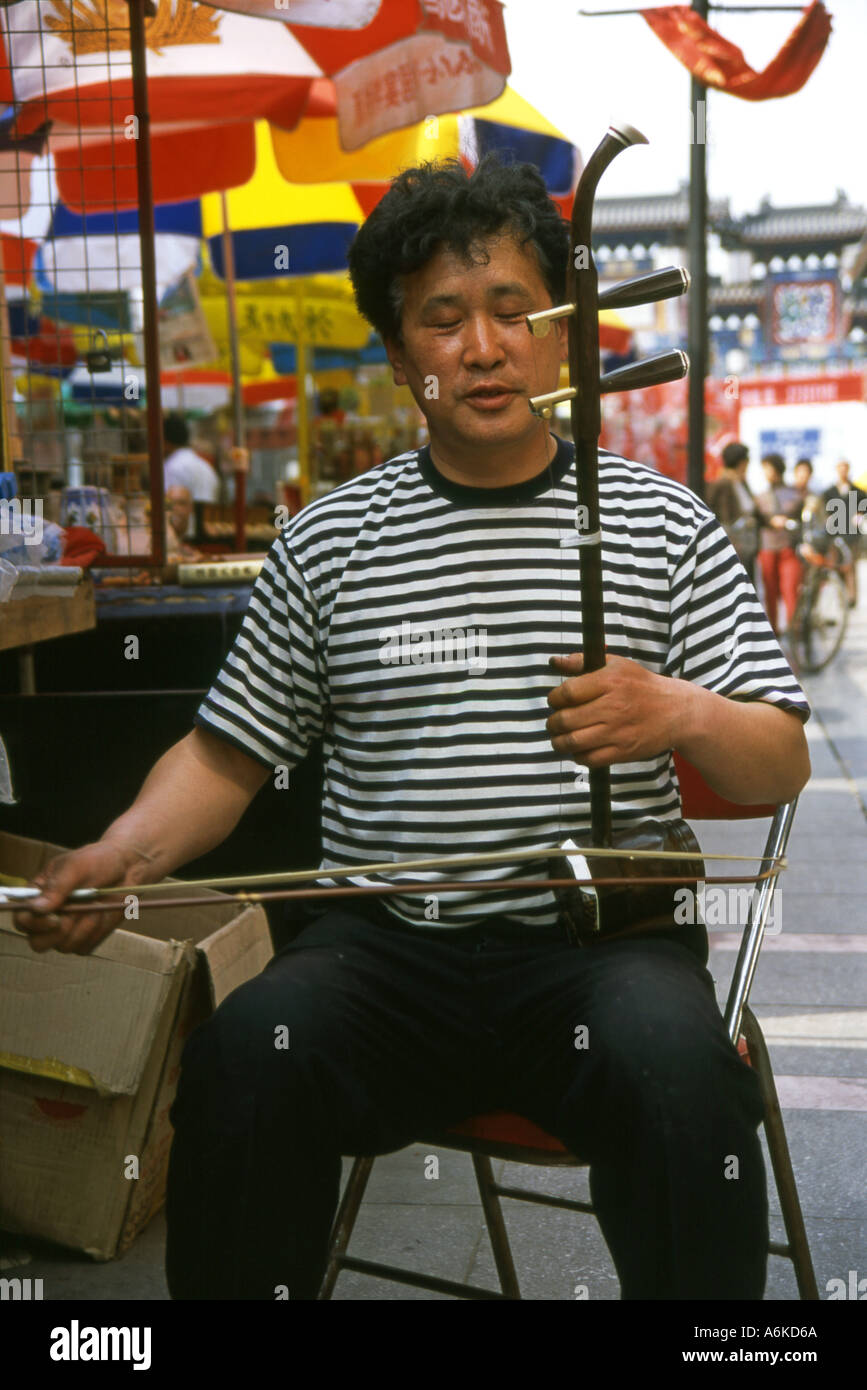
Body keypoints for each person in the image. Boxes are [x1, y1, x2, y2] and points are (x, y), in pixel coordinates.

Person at [14, 154, 811, 1302]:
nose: (482, 348)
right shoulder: (332, 540)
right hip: (383, 954)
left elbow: (779, 752)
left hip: (604, 952)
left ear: (559, 335)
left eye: (510, 312)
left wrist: (674, 710)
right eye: (443, 320)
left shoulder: (655, 519)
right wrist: (119, 856)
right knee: (249, 1059)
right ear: (401, 359)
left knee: (686, 1080)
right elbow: (222, 755)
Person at [755, 453, 803, 636]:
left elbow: (799, 517)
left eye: (768, 468)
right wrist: (771, 521)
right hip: (767, 547)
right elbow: (758, 519)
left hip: (788, 546)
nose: (766, 472)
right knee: (770, 592)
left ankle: (793, 629)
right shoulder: (761, 496)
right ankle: (773, 630)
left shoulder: (794, 494)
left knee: (790, 589)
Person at [706, 441, 764, 583]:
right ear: (742, 462)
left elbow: (754, 511)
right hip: (731, 545)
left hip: (747, 545)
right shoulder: (721, 484)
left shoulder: (742, 483)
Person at [821, 460, 866, 605]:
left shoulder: (858, 492)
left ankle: (851, 598)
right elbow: (824, 512)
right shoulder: (829, 492)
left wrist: (860, 515)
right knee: (835, 566)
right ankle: (840, 599)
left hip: (851, 534)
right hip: (834, 534)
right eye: (840, 468)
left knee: (850, 565)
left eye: (845, 468)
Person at [162, 413, 220, 504]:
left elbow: (169, 504)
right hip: (208, 516)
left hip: (186, 517)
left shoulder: (172, 466)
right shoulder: (204, 465)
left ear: (165, 442)